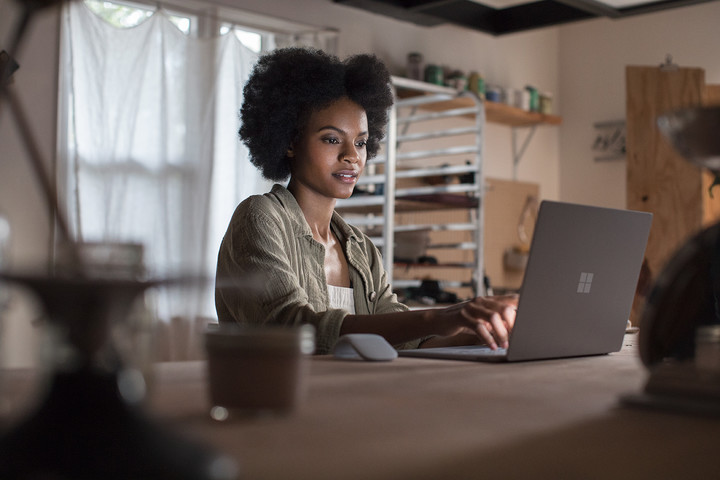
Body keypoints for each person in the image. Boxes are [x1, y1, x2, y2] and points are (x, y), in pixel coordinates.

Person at [215, 47, 516, 354]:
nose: (352, 156)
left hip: (353, 398)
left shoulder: (360, 248)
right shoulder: (260, 218)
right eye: (332, 139)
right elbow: (294, 328)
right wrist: (439, 316)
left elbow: (411, 341)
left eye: (360, 142)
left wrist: (495, 334)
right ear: (291, 142)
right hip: (276, 399)